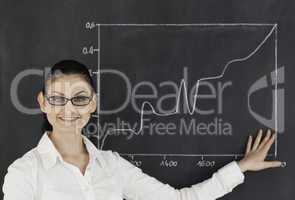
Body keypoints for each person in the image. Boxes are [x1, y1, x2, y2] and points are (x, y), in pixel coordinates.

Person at [2, 60, 282, 200]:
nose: (68, 109)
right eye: (57, 98)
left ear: (93, 104)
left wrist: (240, 167)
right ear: (43, 102)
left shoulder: (111, 165)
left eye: (79, 98)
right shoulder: (24, 173)